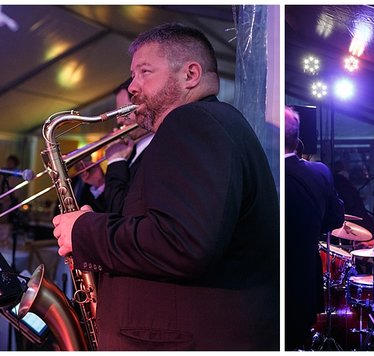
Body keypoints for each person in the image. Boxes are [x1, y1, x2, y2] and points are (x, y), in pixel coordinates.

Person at [51, 23, 278, 350]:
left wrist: (86, 230)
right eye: (132, 75)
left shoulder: (193, 122)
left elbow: (182, 243)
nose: (132, 87)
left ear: (191, 74)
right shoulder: (209, 124)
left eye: (145, 72)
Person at [283, 107, 344, 350]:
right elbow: (335, 219)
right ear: (297, 140)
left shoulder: (267, 172)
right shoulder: (319, 173)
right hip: (304, 280)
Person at [103, 78, 155, 213]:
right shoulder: (133, 150)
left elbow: (120, 210)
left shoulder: (157, 151)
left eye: (123, 111)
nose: (119, 119)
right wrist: (97, 181)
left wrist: (115, 160)